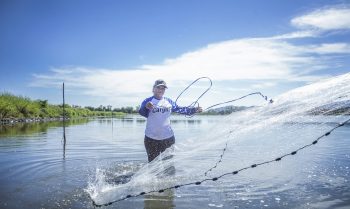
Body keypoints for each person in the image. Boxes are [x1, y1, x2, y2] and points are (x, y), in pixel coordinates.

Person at [139, 79, 202, 162]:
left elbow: (180, 109)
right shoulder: (147, 101)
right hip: (151, 139)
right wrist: (146, 107)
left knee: (169, 165)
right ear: (153, 89)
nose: (161, 90)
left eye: (163, 88)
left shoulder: (169, 101)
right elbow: (141, 112)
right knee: (152, 165)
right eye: (158, 88)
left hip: (168, 138)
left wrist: (194, 110)